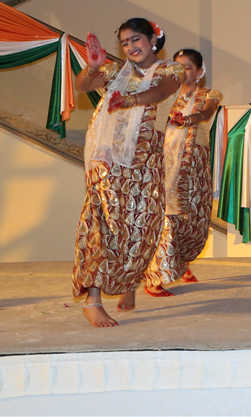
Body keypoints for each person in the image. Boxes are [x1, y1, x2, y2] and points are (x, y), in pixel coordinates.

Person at [73, 19, 184, 327]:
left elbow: (159, 93)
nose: (131, 46)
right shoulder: (115, 72)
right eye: (124, 42)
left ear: (152, 40)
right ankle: (92, 301)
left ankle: (129, 282)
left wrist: (130, 100)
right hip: (108, 160)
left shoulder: (171, 70)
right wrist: (93, 67)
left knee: (142, 228)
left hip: (146, 163)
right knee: (102, 225)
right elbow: (82, 86)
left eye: (136, 39)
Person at [143, 49, 222, 297]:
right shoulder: (163, 96)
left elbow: (206, 113)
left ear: (200, 72)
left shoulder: (209, 95)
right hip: (167, 164)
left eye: (188, 67)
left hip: (195, 164)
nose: (182, 71)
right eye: (178, 67)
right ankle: (155, 277)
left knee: (195, 217)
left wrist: (188, 120)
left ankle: (181, 262)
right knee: (169, 216)